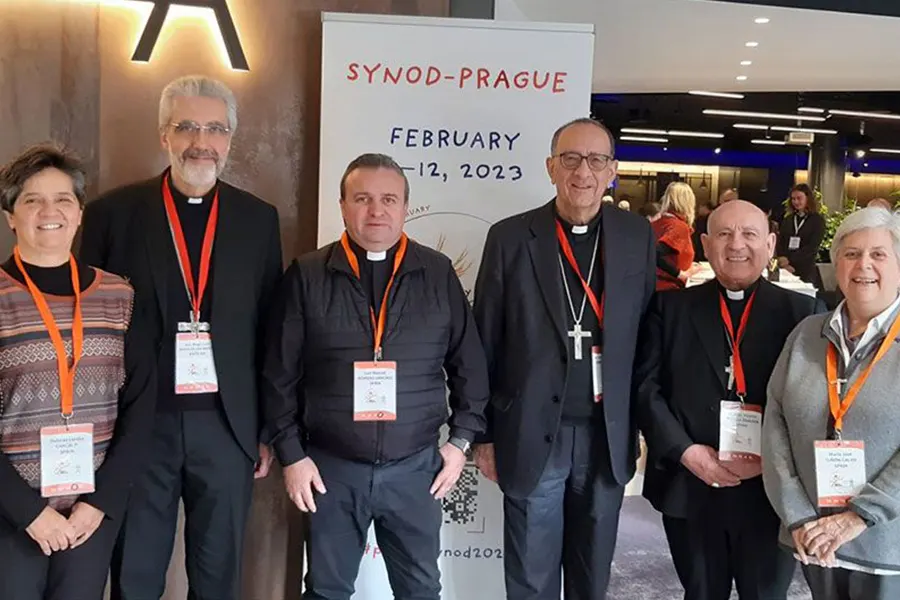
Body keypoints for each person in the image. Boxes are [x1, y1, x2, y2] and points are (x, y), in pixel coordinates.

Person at [79, 75, 283, 599]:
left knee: (218, 577)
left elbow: (270, 329)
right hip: (140, 425)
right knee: (136, 571)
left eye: (216, 128)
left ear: (231, 140)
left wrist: (265, 427)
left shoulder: (259, 220)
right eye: (187, 125)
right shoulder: (113, 214)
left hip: (227, 426)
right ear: (163, 134)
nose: (202, 140)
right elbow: (88, 328)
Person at [262, 153, 489, 600]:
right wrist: (291, 455)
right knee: (326, 590)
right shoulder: (307, 275)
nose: (376, 210)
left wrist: (460, 442)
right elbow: (278, 375)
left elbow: (470, 366)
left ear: (406, 206)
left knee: (421, 589)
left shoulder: (437, 272)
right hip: (330, 470)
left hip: (416, 470)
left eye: (389, 199)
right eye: (362, 198)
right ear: (343, 205)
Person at [472, 117, 656, 599]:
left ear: (612, 170)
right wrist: (485, 434)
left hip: (605, 434)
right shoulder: (510, 238)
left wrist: (636, 427)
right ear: (551, 167)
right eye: (571, 158)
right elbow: (485, 340)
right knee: (530, 579)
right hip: (532, 432)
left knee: (591, 576)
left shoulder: (636, 236)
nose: (583, 172)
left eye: (597, 160)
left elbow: (647, 338)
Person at [636, 199, 825, 600]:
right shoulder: (670, 308)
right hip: (692, 484)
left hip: (770, 495)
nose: (736, 244)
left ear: (771, 244)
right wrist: (688, 453)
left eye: (749, 234)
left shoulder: (804, 314)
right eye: (723, 234)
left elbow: (818, 404)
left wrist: (772, 462)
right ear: (705, 244)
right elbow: (646, 391)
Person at [0, 144, 156, 599]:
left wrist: (100, 503)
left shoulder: (119, 296)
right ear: (11, 216)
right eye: (32, 200)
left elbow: (141, 407)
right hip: (11, 517)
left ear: (80, 212)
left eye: (63, 199)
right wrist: (28, 512)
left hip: (90, 515)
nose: (50, 211)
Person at [763, 207, 900, 600]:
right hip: (814, 537)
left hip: (885, 544)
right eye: (851, 254)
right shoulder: (807, 333)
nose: (864, 265)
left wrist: (860, 515)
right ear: (836, 264)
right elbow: (775, 423)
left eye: (878, 254)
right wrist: (798, 515)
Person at [776, 183, 826, 286]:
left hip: (806, 269)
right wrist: (783, 260)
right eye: (793, 199)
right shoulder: (788, 219)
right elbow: (781, 241)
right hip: (786, 267)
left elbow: (812, 246)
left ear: (808, 198)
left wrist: (790, 259)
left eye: (799, 198)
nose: (795, 202)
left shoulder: (817, 220)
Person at [653, 181, 697, 291]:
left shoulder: (657, 223)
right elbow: (654, 253)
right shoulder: (678, 227)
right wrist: (680, 274)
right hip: (669, 289)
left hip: (654, 287)